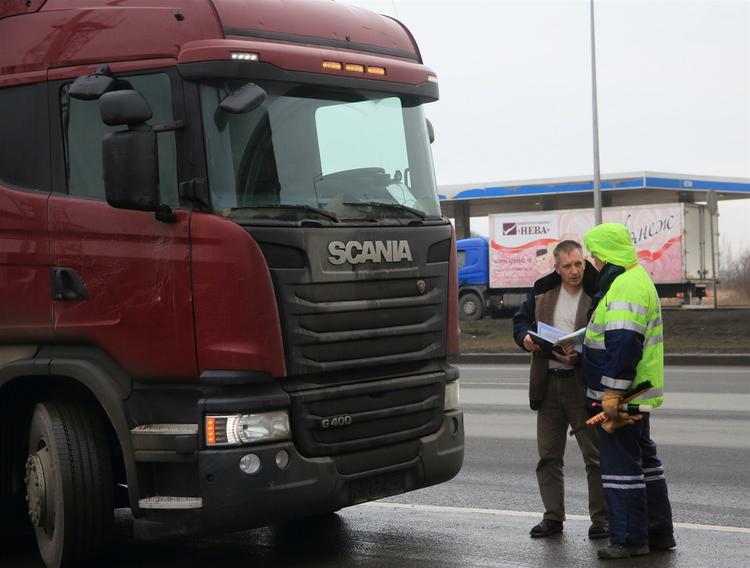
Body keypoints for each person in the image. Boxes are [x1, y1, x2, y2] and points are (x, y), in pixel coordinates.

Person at [581, 223, 675, 560]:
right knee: (645, 461)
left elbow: (622, 346)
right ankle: (658, 532)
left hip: (623, 396)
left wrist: (611, 395)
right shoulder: (635, 279)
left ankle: (630, 538)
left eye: (595, 256)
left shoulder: (624, 288)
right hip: (638, 393)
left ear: (606, 256)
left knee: (621, 466)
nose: (593, 263)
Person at [513, 240, 609, 539]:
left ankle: (602, 519)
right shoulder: (543, 290)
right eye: (567, 266)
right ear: (556, 267)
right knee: (548, 456)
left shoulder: (598, 292)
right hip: (548, 382)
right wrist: (524, 339)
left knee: (594, 456)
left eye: (579, 264)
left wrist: (578, 357)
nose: (575, 271)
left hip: (581, 385)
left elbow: (605, 338)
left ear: (585, 262)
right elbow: (520, 321)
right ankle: (553, 517)